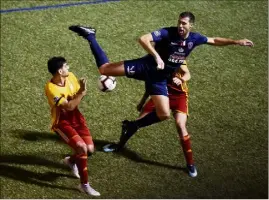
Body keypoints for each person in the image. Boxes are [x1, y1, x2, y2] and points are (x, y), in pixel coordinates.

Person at [68, 11, 253, 164]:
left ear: (191, 26)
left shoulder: (195, 39)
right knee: (104, 69)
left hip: (159, 80)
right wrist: (156, 56)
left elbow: (214, 40)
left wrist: (236, 41)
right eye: (179, 22)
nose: (181, 26)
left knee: (164, 114)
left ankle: (132, 125)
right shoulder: (167, 33)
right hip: (145, 67)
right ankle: (90, 35)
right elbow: (143, 39)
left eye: (184, 24)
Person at [102, 61, 197, 177]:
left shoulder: (176, 56)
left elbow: (188, 74)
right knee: (137, 122)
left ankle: (190, 163)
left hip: (179, 96)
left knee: (180, 126)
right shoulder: (154, 61)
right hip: (161, 94)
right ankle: (119, 145)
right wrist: (142, 101)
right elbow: (150, 83)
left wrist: (181, 80)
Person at [45, 56, 100, 196]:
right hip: (62, 123)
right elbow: (69, 106)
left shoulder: (71, 77)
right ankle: (84, 185)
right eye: (66, 66)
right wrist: (82, 92)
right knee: (81, 147)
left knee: (90, 149)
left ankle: (70, 161)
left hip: (77, 119)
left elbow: (77, 97)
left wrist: (81, 91)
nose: (68, 67)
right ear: (59, 71)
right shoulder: (51, 89)